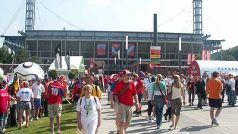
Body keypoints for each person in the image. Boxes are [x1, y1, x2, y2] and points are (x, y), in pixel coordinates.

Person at [114, 70, 139, 134]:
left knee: (128, 122)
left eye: (129, 75)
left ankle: (121, 131)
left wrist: (137, 102)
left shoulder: (132, 83)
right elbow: (115, 95)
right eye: (127, 75)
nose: (129, 76)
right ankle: (122, 131)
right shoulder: (119, 84)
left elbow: (135, 93)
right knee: (122, 122)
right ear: (123, 76)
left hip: (130, 105)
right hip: (122, 104)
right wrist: (118, 104)